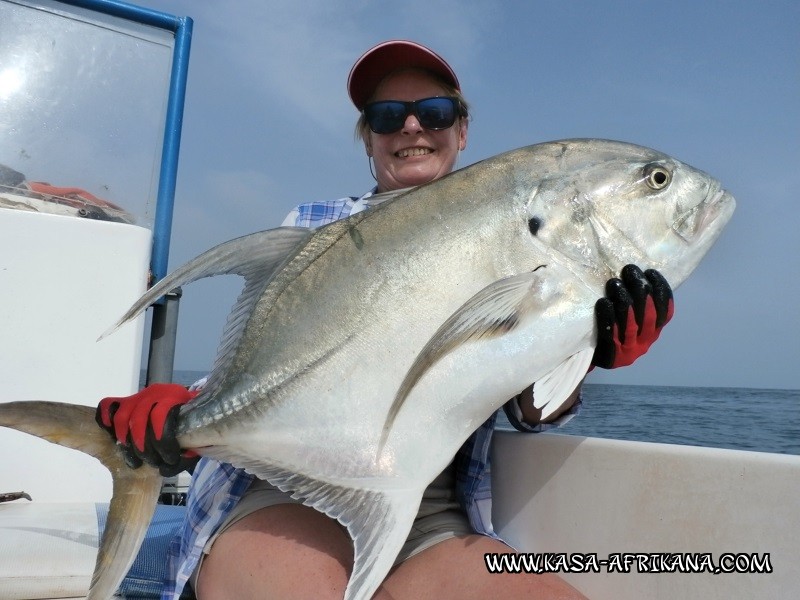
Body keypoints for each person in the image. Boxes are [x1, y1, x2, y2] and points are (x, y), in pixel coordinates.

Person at [98, 40, 674, 600]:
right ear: (369, 140)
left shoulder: (516, 223)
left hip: (424, 507)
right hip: (285, 491)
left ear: (461, 130)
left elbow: (527, 407)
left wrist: (586, 353)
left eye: (435, 112)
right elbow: (276, 368)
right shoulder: (316, 228)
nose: (412, 128)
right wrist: (189, 415)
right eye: (387, 116)